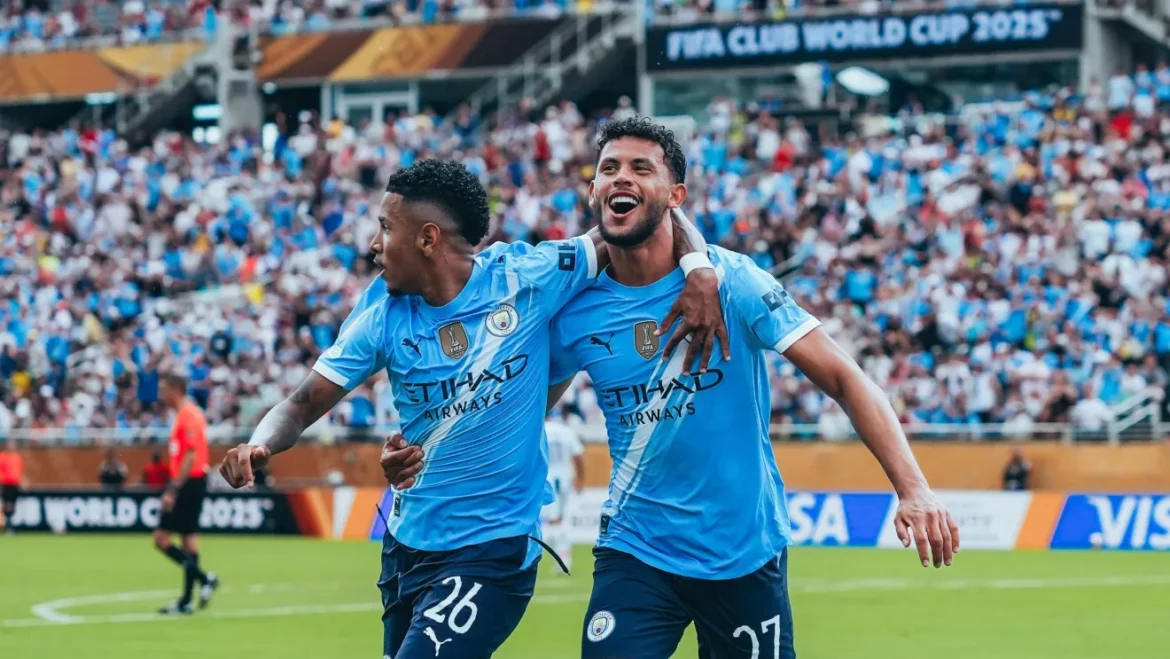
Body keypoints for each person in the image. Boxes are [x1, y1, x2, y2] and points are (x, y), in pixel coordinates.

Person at [381, 117, 959, 657]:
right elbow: (516, 403)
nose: (620, 179)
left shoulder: (734, 282)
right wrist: (428, 452)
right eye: (608, 169)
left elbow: (844, 377)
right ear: (592, 192)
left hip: (743, 552)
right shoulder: (576, 311)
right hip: (635, 551)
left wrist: (914, 489)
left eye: (640, 168)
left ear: (676, 196)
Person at [217, 158, 727, 659]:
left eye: (384, 228)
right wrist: (260, 443)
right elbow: (302, 403)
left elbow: (641, 219)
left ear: (428, 239)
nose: (373, 245)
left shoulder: (526, 276)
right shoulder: (380, 314)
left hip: (493, 552)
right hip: (407, 547)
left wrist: (699, 266)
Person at [155, 372, 219, 615]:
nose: (161, 396)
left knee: (163, 538)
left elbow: (190, 455)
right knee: (188, 540)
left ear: (175, 389)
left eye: (164, 390)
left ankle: (198, 587)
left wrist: (173, 489)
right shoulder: (183, 415)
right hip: (188, 482)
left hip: (189, 482)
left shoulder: (189, 415)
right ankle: (192, 594)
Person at [541, 406, 585, 573]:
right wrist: (581, 479)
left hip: (545, 480)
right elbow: (578, 456)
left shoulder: (539, 430)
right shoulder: (566, 431)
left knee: (551, 521)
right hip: (563, 479)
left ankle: (559, 558)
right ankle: (563, 558)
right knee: (559, 519)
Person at [0, 438, 25, 534]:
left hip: (15, 484)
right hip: (5, 484)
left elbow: (19, 471)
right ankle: (7, 525)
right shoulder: (2, 457)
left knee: (12, 504)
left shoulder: (17, 457)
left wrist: (21, 480)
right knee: (7, 504)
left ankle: (9, 523)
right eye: (10, 444)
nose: (12, 446)